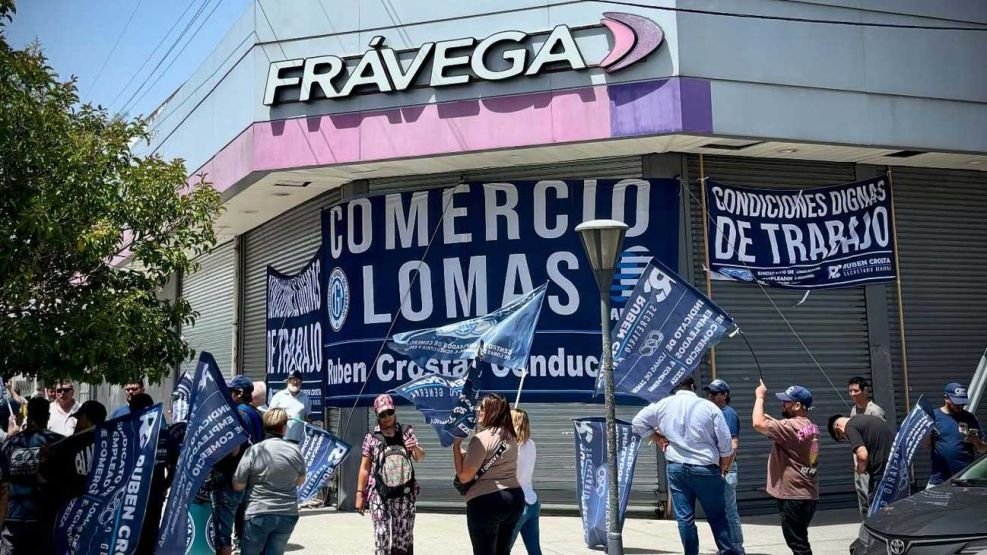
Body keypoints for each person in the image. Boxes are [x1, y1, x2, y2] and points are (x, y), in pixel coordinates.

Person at [632, 377, 736, 555]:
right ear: (693, 387)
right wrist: (724, 465)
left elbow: (638, 421)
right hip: (705, 468)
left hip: (676, 468)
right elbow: (726, 441)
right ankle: (727, 551)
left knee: (685, 519)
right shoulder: (709, 407)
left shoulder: (662, 405)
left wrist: (657, 438)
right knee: (718, 517)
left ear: (674, 388)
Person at [752, 381, 819, 555]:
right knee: (800, 539)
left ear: (797, 406)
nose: (783, 404)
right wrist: (774, 422)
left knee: (798, 544)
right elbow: (794, 437)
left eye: (787, 402)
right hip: (807, 493)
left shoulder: (790, 427)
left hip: (792, 495)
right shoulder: (810, 426)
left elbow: (757, 423)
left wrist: (760, 397)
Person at [453, 393, 523, 555]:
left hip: (487, 501)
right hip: (514, 499)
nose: (478, 409)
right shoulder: (510, 436)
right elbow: (488, 462)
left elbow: (464, 476)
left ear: (493, 411)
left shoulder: (481, 439)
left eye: (483, 407)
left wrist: (456, 447)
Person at [357, 394, 425, 555]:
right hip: (379, 493)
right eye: (382, 414)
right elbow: (365, 467)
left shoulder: (406, 431)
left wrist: (415, 448)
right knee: (381, 535)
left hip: (404, 493)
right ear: (377, 415)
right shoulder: (371, 437)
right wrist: (360, 494)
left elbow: (420, 458)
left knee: (402, 537)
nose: (387, 417)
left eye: (389, 412)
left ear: (394, 410)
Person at [233, 408, 306, 555]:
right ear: (284, 427)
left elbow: (237, 485)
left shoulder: (254, 451)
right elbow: (300, 480)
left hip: (258, 512)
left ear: (264, 426)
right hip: (287, 513)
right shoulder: (295, 450)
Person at [0, 397, 64, 554]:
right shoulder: (58, 442)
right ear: (47, 416)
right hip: (45, 518)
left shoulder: (9, 444)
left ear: (28, 415)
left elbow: (2, 484)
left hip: (12, 518)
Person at [211, 376, 264, 555]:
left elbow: (233, 450)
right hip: (250, 478)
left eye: (230, 391)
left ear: (239, 393)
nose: (227, 394)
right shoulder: (258, 414)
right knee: (244, 531)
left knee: (223, 535)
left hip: (231, 478)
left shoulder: (236, 414)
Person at [41, 400, 107, 509]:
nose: (77, 423)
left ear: (84, 418)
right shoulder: (110, 445)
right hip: (99, 508)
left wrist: (44, 459)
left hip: (71, 510)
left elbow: (45, 478)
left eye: (78, 419)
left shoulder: (68, 445)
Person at [705, 379, 745, 554]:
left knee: (729, 510)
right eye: (709, 393)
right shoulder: (715, 412)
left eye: (714, 393)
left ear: (725, 395)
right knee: (722, 511)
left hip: (726, 469)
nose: (710, 396)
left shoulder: (728, 414)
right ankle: (728, 547)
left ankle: (737, 547)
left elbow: (733, 444)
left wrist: (726, 467)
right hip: (720, 468)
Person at [923, 382, 987, 487]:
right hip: (939, 479)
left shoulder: (970, 418)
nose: (960, 406)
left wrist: (976, 441)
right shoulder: (934, 416)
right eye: (956, 403)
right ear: (946, 398)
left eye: (962, 403)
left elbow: (983, 449)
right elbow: (926, 445)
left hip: (964, 480)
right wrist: (927, 431)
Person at [827, 413, 893, 509]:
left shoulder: (850, 427)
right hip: (894, 468)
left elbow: (862, 455)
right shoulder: (866, 420)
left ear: (838, 429)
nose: (846, 438)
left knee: (876, 509)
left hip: (880, 474)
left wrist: (860, 469)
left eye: (842, 437)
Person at [846, 377, 886, 516]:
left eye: (856, 390)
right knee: (863, 499)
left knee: (874, 499)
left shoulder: (875, 412)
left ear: (865, 390)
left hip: (874, 464)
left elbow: (881, 438)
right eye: (850, 391)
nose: (852, 394)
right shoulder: (854, 411)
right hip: (860, 464)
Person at [508, 408, 541, 555]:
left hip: (516, 505)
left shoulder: (509, 448)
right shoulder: (531, 444)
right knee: (534, 550)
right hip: (532, 501)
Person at [269, 371, 312, 444]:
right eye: (292, 380)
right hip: (281, 440)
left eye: (297, 380)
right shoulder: (278, 397)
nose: (295, 382)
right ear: (287, 382)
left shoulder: (305, 398)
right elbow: (270, 417)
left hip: (299, 441)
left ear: (301, 382)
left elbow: (308, 419)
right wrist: (283, 416)